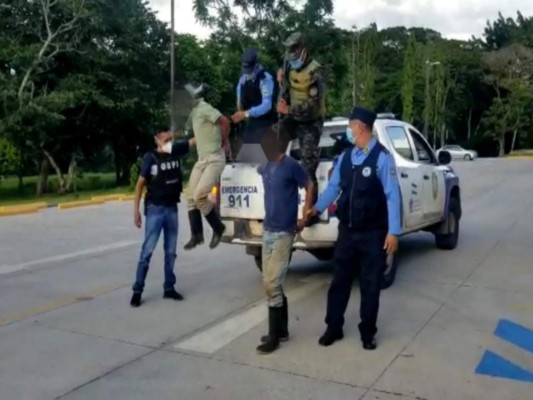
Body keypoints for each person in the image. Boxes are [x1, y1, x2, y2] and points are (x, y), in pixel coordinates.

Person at [303, 106, 402, 350]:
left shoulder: (381, 157)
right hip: (347, 232)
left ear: (360, 127)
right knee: (340, 282)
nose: (348, 130)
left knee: (370, 285)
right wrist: (316, 208)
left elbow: (392, 196)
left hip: (372, 234)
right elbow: (333, 189)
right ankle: (333, 327)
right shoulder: (346, 157)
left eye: (350, 126)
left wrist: (394, 232)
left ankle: (368, 333)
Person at [255, 127, 314, 354]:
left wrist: (305, 212)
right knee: (269, 282)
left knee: (272, 283)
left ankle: (274, 336)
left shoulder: (290, 166)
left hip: (283, 232)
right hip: (268, 231)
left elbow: (309, 185)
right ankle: (282, 330)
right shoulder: (266, 166)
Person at [130, 128, 196, 307]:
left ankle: (169, 288)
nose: (169, 142)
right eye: (166, 139)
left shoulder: (175, 152)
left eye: (170, 139)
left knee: (170, 252)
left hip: (171, 208)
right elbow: (139, 184)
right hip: (156, 208)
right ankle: (137, 290)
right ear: (157, 140)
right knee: (147, 251)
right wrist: (135, 210)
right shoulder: (150, 158)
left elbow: (193, 141)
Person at [276, 32, 326, 225]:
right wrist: (281, 81)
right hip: (292, 117)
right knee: (271, 142)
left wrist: (288, 109)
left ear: (303, 49)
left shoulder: (316, 72)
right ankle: (278, 184)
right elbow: (287, 88)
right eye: (289, 51)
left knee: (308, 164)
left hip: (310, 120)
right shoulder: (289, 63)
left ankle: (311, 211)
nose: (291, 54)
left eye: (294, 50)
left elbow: (312, 106)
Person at [182, 83, 230, 251]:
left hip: (215, 158)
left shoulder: (204, 107)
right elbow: (194, 133)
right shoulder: (193, 113)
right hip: (202, 159)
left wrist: (224, 142)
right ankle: (197, 235)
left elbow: (224, 121)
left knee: (200, 195)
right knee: (190, 197)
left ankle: (218, 228)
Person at [231, 48, 277, 158]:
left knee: (264, 158)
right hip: (250, 123)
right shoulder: (243, 76)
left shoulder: (265, 78)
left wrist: (246, 113)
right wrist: (239, 103)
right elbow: (239, 87)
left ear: (256, 65)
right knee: (247, 157)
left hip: (265, 123)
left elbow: (267, 105)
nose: (247, 72)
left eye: (249, 69)